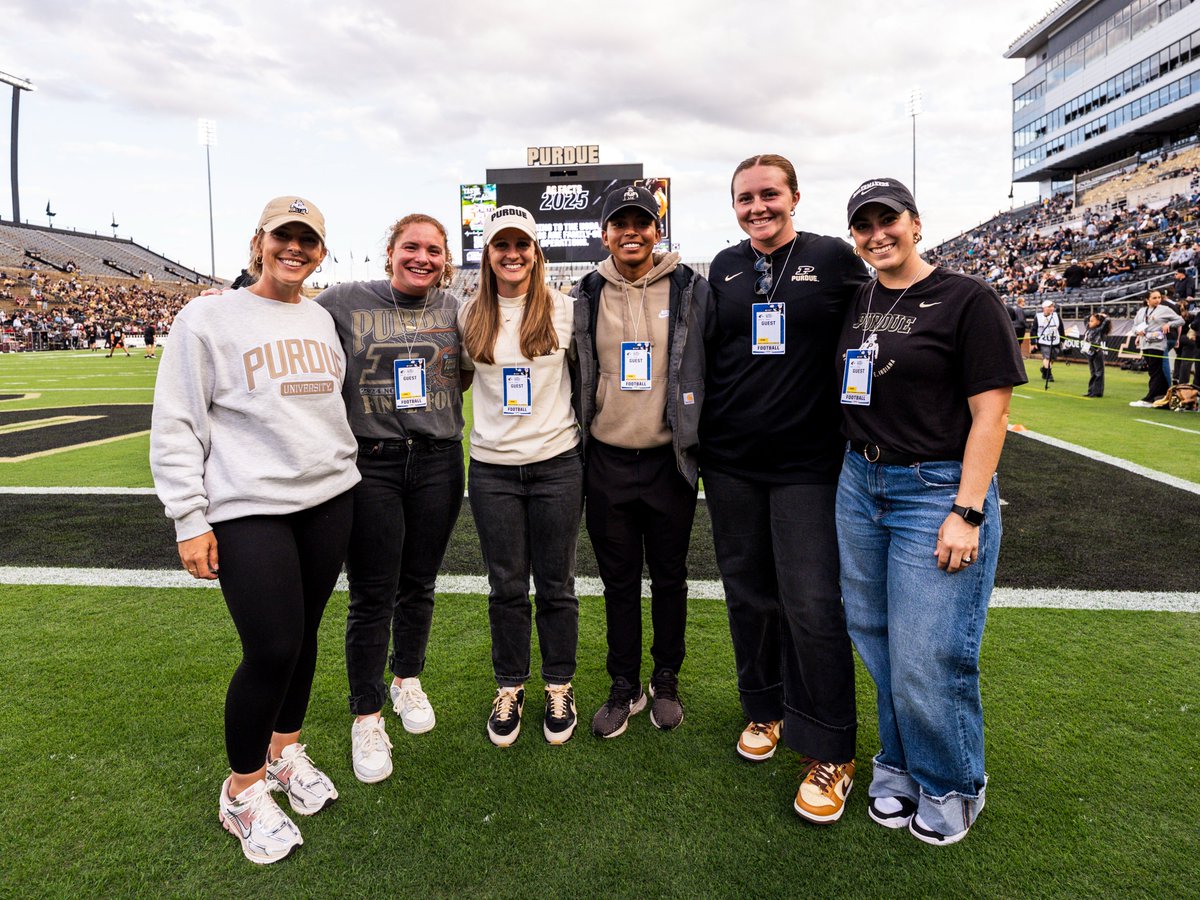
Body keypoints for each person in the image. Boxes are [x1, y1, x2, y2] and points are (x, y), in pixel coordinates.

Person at [150, 196, 360, 864]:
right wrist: (189, 517)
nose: (294, 248)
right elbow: (177, 420)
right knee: (271, 648)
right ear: (259, 242)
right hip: (248, 506)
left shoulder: (321, 318)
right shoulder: (207, 316)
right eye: (283, 236)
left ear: (320, 251)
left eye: (308, 239)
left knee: (303, 638)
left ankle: (283, 752)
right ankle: (241, 791)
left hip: (327, 499)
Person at [836, 177, 1027, 845]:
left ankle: (951, 783)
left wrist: (967, 511)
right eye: (864, 225)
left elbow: (992, 414)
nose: (877, 234)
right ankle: (898, 765)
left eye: (888, 220)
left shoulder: (967, 298)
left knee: (929, 651)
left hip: (934, 488)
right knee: (877, 637)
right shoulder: (859, 297)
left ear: (916, 224)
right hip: (860, 481)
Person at [700, 154, 868, 823]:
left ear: (795, 196)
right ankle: (763, 708)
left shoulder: (831, 258)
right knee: (748, 595)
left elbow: (878, 314)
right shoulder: (724, 266)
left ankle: (831, 749)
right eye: (745, 198)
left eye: (769, 194)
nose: (757, 207)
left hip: (807, 464)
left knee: (812, 603)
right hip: (731, 461)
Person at [316, 214, 465, 782]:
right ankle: (367, 714)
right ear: (390, 251)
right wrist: (228, 300)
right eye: (411, 247)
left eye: (433, 250)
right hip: (372, 461)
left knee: (419, 583)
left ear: (445, 259)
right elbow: (283, 313)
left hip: (438, 458)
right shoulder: (345, 298)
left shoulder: (455, 307)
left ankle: (407, 679)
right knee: (372, 592)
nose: (422, 257)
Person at [571, 186, 713, 738]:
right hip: (606, 459)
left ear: (657, 230)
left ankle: (666, 678)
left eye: (642, 221)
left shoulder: (690, 287)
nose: (631, 231)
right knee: (619, 582)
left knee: (670, 578)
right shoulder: (586, 292)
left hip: (668, 461)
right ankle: (624, 683)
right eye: (620, 223)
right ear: (605, 233)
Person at [458, 205, 582, 747]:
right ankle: (510, 684)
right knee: (506, 585)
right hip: (493, 469)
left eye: (521, 244)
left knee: (556, 584)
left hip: (557, 463)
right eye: (501, 245)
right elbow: (458, 380)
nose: (512, 254)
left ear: (536, 251)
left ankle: (559, 684)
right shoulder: (468, 315)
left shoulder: (567, 309)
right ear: (488, 254)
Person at [1129, 290, 1185, 407]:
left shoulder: (1164, 309)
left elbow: (1180, 320)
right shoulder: (1141, 311)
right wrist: (1137, 332)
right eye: (1154, 298)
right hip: (1145, 343)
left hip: (1158, 344)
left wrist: (1168, 324)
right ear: (1147, 300)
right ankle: (1161, 397)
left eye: (1159, 297)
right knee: (1153, 371)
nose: (1157, 300)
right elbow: (1134, 325)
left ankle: (1150, 398)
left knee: (1155, 371)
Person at [1033, 299, 1063, 384]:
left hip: (1055, 340)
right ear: (1044, 308)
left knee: (1052, 357)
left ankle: (1044, 369)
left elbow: (1061, 327)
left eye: (1052, 306)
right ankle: (1049, 375)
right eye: (1049, 307)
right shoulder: (1038, 317)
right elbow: (1034, 329)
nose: (1052, 308)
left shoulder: (1056, 315)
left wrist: (1063, 339)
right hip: (1043, 341)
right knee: (1047, 357)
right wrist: (1033, 342)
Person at [1083, 311, 1111, 398]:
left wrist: (1103, 315)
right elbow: (1085, 318)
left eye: (1092, 321)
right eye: (1090, 321)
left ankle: (1097, 392)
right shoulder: (1088, 328)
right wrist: (1094, 315)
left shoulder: (1099, 330)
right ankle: (1091, 391)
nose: (1089, 322)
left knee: (1098, 373)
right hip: (1089, 352)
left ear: (1098, 322)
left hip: (1096, 352)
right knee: (1093, 373)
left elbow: (1107, 320)